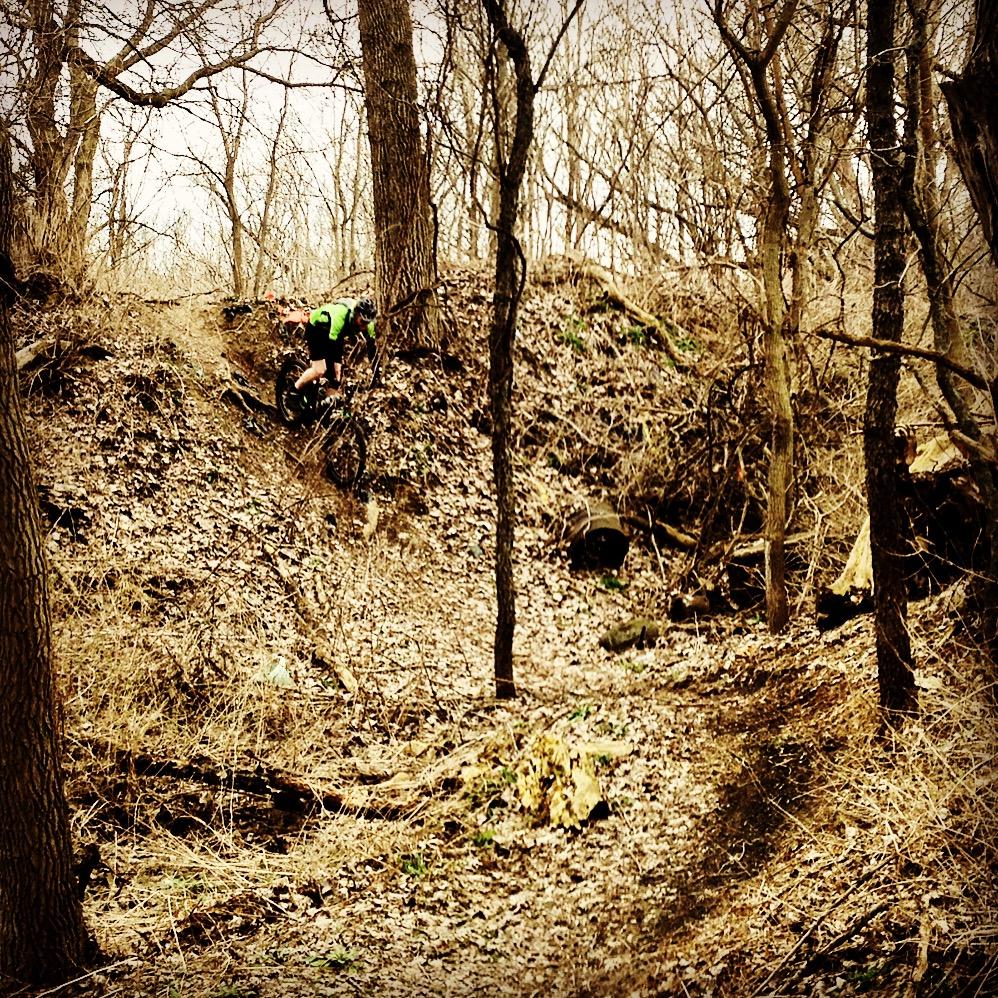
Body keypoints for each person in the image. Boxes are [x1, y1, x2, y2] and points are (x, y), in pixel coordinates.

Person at [294, 297, 379, 396]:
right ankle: (294, 389)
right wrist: (337, 365)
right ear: (356, 314)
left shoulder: (369, 324)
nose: (364, 326)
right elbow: (334, 344)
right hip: (317, 329)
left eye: (367, 323)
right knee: (320, 370)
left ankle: (325, 404)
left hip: (334, 335)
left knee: (335, 380)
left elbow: (372, 349)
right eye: (363, 322)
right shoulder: (341, 315)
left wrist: (376, 376)